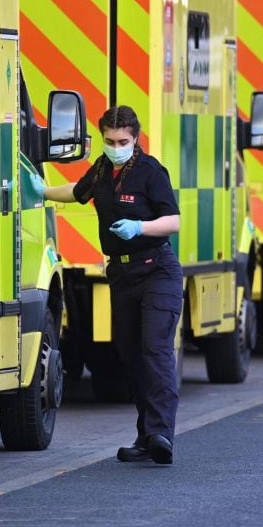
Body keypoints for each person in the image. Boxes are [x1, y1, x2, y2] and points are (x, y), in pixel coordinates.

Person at [31, 105, 183, 464]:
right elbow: (79, 191)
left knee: (155, 350)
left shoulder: (150, 171)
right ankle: (146, 436)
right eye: (110, 140)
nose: (116, 146)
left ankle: (162, 434)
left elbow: (173, 220)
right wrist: (44, 191)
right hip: (122, 274)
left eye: (123, 141)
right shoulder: (102, 168)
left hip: (156, 269)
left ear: (136, 138)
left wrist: (140, 228)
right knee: (130, 355)